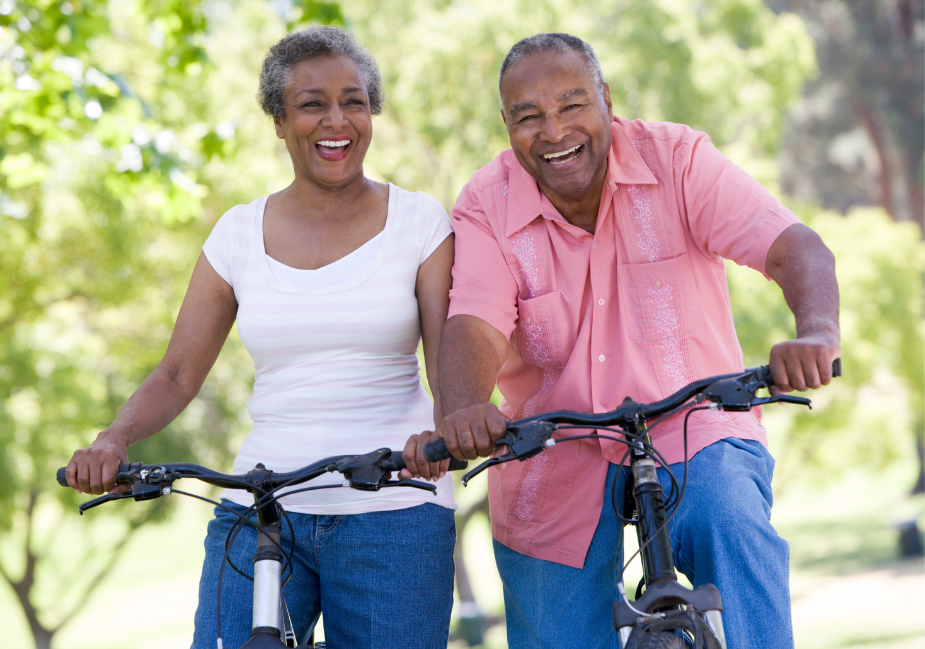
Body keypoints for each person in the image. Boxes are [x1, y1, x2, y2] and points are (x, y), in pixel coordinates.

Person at [403, 33, 840, 649]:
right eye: (528, 117)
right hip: (550, 445)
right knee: (554, 624)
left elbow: (793, 247)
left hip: (692, 422)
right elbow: (473, 323)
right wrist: (463, 411)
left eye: (572, 105)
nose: (553, 131)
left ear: (606, 101)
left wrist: (816, 333)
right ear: (507, 127)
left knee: (732, 522)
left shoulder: (678, 159)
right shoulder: (486, 203)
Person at [65, 26, 457, 649]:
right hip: (263, 503)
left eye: (354, 101)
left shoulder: (420, 221)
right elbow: (177, 374)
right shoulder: (238, 233)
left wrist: (446, 432)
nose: (338, 120)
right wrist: (112, 439)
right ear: (278, 120)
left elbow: (449, 368)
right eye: (312, 104)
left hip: (396, 508)